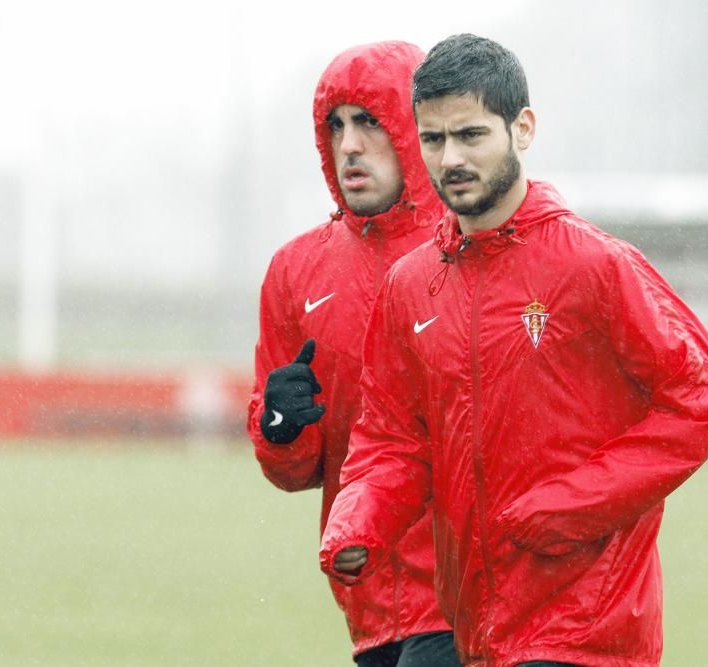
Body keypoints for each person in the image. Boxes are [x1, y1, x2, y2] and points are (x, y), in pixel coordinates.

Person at [320, 34, 708, 667]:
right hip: (477, 625)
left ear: (522, 129)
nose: (450, 158)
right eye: (433, 140)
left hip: (588, 625)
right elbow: (391, 438)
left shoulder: (595, 264)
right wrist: (360, 521)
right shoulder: (410, 286)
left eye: (470, 135)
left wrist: (572, 506)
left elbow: (705, 401)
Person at [248, 41, 461, 666]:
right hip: (367, 601)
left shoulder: (473, 249)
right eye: (334, 126)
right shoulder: (297, 271)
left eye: (369, 121)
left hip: (468, 599)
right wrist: (279, 427)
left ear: (413, 128)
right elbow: (294, 473)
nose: (349, 145)